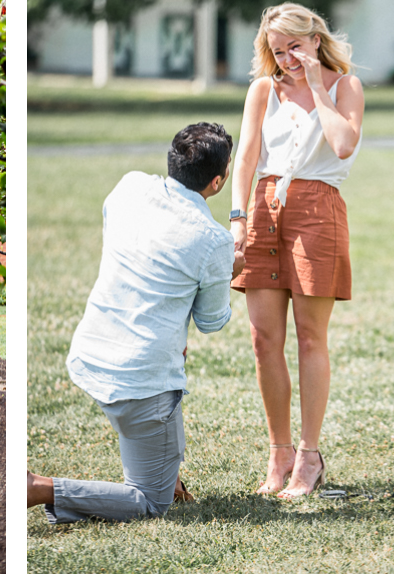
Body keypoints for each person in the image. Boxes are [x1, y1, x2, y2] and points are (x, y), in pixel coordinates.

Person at [27, 123, 245, 524]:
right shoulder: (214, 241)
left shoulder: (129, 186)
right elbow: (211, 322)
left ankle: (166, 469)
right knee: (149, 501)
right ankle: (38, 488)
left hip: (91, 356)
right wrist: (228, 270)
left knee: (160, 437)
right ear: (219, 180)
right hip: (139, 382)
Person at [230, 2, 364, 499]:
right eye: (277, 49)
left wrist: (317, 86)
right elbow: (245, 157)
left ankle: (310, 456)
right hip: (264, 209)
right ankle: (278, 452)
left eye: (295, 47)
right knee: (264, 340)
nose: (286, 58)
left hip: (318, 208)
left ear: (315, 39)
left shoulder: (345, 86)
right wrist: (238, 217)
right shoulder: (263, 89)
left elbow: (344, 144)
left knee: (311, 337)